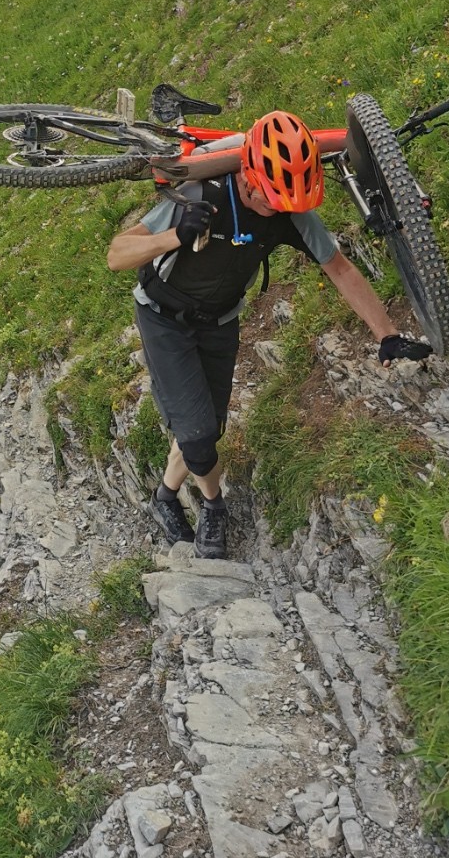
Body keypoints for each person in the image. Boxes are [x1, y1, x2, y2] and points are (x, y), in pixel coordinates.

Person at [106, 109, 432, 559]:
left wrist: (387, 336)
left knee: (205, 428)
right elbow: (117, 254)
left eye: (285, 204)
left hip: (221, 321)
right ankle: (214, 507)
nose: (274, 209)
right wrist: (175, 236)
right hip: (164, 318)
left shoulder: (288, 210)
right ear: (248, 174)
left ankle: (164, 496)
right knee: (199, 435)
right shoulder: (203, 191)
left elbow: (338, 267)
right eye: (268, 199)